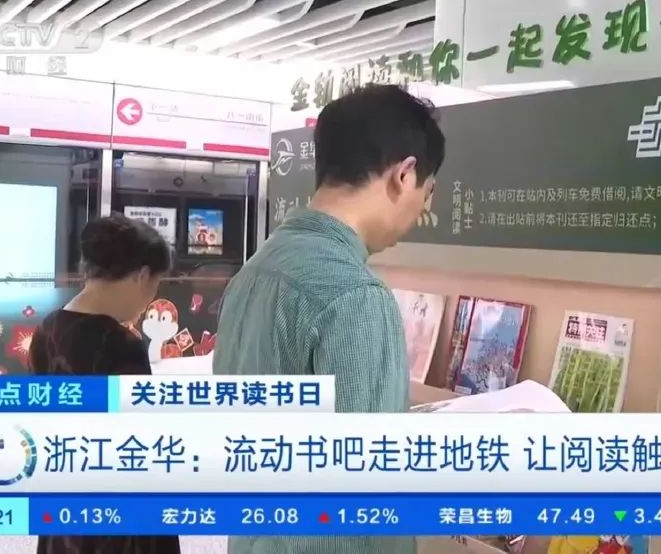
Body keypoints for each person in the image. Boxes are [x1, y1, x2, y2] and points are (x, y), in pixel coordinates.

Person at [214, 84, 445, 554]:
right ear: (404, 175)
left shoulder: (254, 271)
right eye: (429, 190)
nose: (426, 207)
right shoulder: (356, 296)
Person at [29, 212, 178, 554]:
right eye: (155, 285)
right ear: (142, 276)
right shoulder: (119, 344)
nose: (150, 300)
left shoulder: (47, 329)